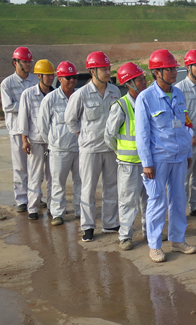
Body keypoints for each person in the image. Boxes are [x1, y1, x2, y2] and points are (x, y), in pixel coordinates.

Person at [136, 50, 196, 262]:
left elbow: (184, 125)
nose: (174, 72)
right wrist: (146, 163)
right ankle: (154, 246)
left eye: (174, 68)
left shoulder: (178, 94)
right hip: (158, 159)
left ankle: (178, 240)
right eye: (169, 69)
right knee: (157, 201)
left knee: (179, 200)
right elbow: (142, 134)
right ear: (157, 72)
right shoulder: (145, 98)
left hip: (179, 157)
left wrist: (187, 152)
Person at [65, 51, 120, 242]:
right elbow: (70, 120)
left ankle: (110, 223)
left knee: (111, 187)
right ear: (92, 71)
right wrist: (83, 135)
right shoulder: (81, 94)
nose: (108, 72)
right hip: (90, 150)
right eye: (103, 69)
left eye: (108, 68)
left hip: (110, 148)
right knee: (88, 189)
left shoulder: (115, 91)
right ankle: (88, 226)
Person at [105, 62, 149, 251]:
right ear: (129, 83)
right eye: (140, 79)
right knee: (128, 201)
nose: (144, 81)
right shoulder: (121, 106)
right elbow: (109, 135)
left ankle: (150, 233)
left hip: (148, 162)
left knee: (150, 200)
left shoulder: (147, 101)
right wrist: (121, 152)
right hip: (129, 164)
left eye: (144, 78)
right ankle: (125, 236)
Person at [38, 61, 81, 226]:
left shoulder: (80, 96)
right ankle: (57, 214)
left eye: (74, 77)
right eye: (68, 78)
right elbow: (43, 126)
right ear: (60, 79)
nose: (72, 80)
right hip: (59, 150)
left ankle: (81, 211)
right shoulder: (50, 99)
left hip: (79, 148)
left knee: (81, 182)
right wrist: (53, 142)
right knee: (58, 183)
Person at [1, 47, 38, 212]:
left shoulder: (35, 80)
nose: (28, 64)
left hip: (35, 130)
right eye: (25, 61)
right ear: (15, 62)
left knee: (36, 166)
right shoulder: (7, 84)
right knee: (20, 166)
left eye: (29, 61)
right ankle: (22, 199)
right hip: (17, 130)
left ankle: (36, 196)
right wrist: (27, 106)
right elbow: (8, 106)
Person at [18, 59, 55, 220]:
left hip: (53, 142)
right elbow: (23, 118)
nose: (51, 78)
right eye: (47, 75)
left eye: (52, 75)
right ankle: (33, 208)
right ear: (39, 76)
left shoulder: (56, 94)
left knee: (53, 177)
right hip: (36, 141)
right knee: (35, 175)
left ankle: (53, 207)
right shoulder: (28, 94)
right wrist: (24, 140)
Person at [175, 50, 196, 217]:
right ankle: (180, 209)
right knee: (183, 177)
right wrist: (190, 135)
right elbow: (178, 117)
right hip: (186, 142)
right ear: (188, 67)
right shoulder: (179, 89)